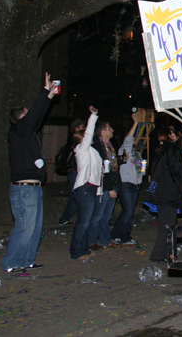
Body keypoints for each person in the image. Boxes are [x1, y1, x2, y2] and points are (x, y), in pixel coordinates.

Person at [1, 72, 56, 273]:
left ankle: (25, 261)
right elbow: (34, 115)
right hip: (24, 189)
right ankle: (10, 263)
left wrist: (48, 98)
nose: (32, 117)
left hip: (33, 188)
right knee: (24, 227)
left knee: (34, 228)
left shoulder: (26, 134)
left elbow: (37, 116)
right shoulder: (18, 132)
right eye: (27, 114)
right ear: (21, 118)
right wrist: (43, 92)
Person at [146, 127, 182, 262]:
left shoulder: (160, 151)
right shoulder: (173, 149)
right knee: (167, 225)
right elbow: (179, 168)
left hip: (162, 192)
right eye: (173, 133)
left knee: (166, 224)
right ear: (169, 135)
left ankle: (164, 253)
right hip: (169, 193)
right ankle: (160, 254)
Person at [69, 106, 104, 261]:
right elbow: (89, 133)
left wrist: (100, 190)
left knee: (87, 221)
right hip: (84, 189)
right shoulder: (82, 150)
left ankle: (83, 249)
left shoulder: (92, 151)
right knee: (83, 222)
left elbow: (99, 172)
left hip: (92, 188)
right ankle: (76, 251)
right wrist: (93, 116)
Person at [109, 112, 142, 247]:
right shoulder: (125, 150)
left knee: (130, 212)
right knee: (127, 211)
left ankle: (125, 236)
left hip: (135, 185)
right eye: (132, 137)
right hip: (126, 184)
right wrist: (135, 123)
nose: (134, 139)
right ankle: (115, 235)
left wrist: (140, 177)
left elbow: (141, 169)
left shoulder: (136, 153)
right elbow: (128, 139)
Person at [89, 118, 118, 250]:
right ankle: (91, 241)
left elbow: (112, 166)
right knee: (98, 215)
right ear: (103, 131)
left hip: (112, 182)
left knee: (106, 215)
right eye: (109, 128)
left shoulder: (109, 146)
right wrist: (110, 187)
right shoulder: (97, 146)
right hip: (103, 185)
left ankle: (105, 240)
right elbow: (102, 169)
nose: (112, 130)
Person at [57, 118, 86, 226]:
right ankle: (65, 219)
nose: (84, 129)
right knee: (76, 196)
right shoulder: (74, 140)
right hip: (74, 170)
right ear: (76, 128)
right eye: (82, 127)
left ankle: (67, 218)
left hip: (76, 170)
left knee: (77, 195)